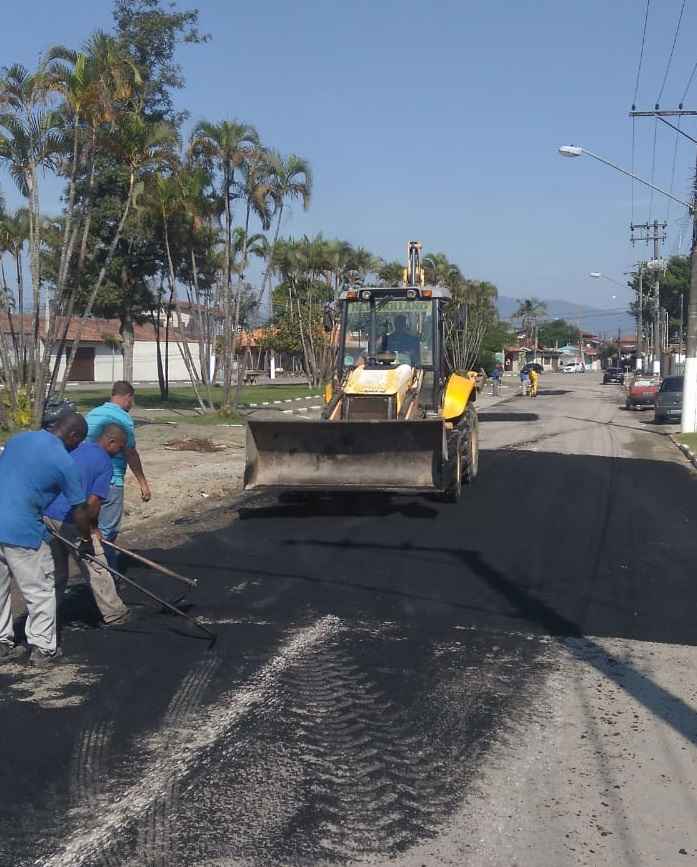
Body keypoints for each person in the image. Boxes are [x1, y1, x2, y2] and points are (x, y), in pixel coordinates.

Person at [0, 413, 91, 666]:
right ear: (73, 436)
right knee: (39, 590)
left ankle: (1, 643)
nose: (77, 447)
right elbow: (80, 509)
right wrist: (86, 540)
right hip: (21, 530)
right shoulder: (63, 462)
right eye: (78, 442)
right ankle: (43, 648)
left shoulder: (19, 439)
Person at [45, 424, 130, 628]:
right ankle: (115, 614)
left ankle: (46, 618)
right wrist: (90, 532)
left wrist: (95, 528)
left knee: (56, 572)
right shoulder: (105, 464)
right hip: (73, 519)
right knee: (96, 565)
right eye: (120, 446)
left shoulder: (77, 448)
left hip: (47, 516)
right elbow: (92, 505)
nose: (120, 451)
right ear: (110, 442)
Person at [85, 381, 151, 566]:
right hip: (111, 482)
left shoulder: (93, 414)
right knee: (107, 533)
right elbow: (130, 452)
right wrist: (143, 484)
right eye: (132, 400)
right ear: (128, 397)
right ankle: (106, 574)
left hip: (89, 481)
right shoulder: (123, 419)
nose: (132, 404)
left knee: (92, 528)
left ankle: (93, 565)